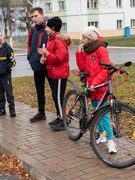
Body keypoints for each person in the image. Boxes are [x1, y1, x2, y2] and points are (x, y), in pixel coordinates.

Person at [75, 26, 117, 154]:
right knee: (97, 113)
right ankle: (103, 135)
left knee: (103, 115)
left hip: (100, 86)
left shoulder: (100, 49)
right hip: (92, 87)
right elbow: (83, 67)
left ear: (90, 38)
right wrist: (80, 53)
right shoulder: (88, 50)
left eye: (84, 38)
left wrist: (95, 83)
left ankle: (111, 141)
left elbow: (106, 69)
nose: (82, 40)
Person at [38, 16, 72, 131]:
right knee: (55, 96)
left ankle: (63, 120)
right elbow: (51, 56)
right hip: (53, 73)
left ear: (53, 28)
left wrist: (47, 54)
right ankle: (59, 116)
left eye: (47, 27)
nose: (45, 28)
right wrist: (44, 58)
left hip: (59, 74)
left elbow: (59, 58)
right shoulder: (51, 39)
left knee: (58, 97)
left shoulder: (59, 40)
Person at [27, 7, 51, 122]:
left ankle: (62, 115)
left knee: (55, 90)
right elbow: (29, 45)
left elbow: (51, 45)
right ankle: (41, 112)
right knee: (39, 90)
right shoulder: (33, 30)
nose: (34, 19)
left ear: (42, 15)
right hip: (36, 65)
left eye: (36, 16)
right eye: (32, 17)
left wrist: (45, 57)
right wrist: (29, 57)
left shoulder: (49, 28)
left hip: (48, 65)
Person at [0, 31, 16, 117]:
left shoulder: (7, 48)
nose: (0, 37)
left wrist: (6, 69)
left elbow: (13, 62)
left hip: (6, 75)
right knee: (0, 94)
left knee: (9, 93)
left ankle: (12, 109)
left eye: (1, 36)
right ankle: (2, 109)